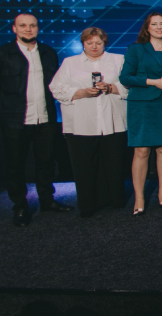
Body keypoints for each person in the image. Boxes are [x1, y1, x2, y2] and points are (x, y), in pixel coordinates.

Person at [0, 13, 73, 226]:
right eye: (23, 25)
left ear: (38, 28)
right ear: (14, 28)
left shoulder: (49, 53)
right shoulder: (0, 54)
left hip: (45, 118)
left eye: (32, 25)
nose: (28, 29)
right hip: (14, 121)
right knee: (15, 165)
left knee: (46, 162)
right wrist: (10, 106)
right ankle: (20, 205)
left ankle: (47, 200)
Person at [49, 27, 128, 217]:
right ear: (83, 43)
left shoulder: (118, 60)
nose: (94, 46)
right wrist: (81, 92)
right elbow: (56, 88)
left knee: (114, 164)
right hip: (81, 123)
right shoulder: (70, 63)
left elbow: (129, 86)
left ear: (105, 43)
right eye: (89, 43)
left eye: (98, 43)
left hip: (113, 121)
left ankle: (115, 201)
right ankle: (88, 205)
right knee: (84, 166)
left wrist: (110, 88)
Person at [119, 12, 162, 216]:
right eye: (154, 24)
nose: (159, 27)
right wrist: (153, 82)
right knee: (141, 151)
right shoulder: (136, 49)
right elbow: (125, 77)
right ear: (147, 28)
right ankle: (139, 197)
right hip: (142, 105)